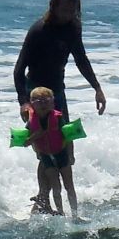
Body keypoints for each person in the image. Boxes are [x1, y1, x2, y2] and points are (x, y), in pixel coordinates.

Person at [13, 0, 106, 214]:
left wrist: (97, 88)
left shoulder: (73, 27)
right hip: (37, 95)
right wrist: (24, 102)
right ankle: (43, 199)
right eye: (64, 10)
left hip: (57, 93)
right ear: (53, 6)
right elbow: (19, 69)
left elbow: (81, 59)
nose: (67, 15)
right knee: (44, 150)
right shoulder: (39, 30)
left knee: (62, 146)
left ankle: (58, 199)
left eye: (72, 11)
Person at [24, 86, 78, 217]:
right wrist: (32, 147)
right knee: (56, 186)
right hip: (46, 157)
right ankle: (60, 212)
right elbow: (28, 138)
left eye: (46, 101)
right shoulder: (31, 121)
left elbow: (68, 137)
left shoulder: (58, 118)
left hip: (61, 154)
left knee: (69, 185)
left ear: (52, 102)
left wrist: (71, 154)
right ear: (32, 103)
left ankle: (75, 214)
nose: (43, 105)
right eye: (39, 102)